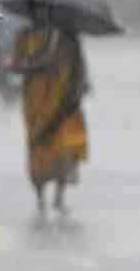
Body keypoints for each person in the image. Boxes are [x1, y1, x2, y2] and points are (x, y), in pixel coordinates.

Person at [8, 12, 89, 216]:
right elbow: (17, 64)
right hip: (34, 102)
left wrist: (77, 90)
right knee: (37, 147)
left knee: (61, 148)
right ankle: (40, 197)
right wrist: (25, 66)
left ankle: (59, 198)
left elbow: (78, 69)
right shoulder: (24, 36)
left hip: (61, 102)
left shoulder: (67, 38)